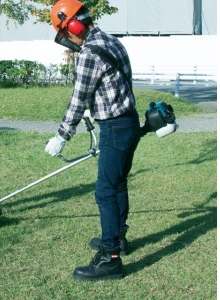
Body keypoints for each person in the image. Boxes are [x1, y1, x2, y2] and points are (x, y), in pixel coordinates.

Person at [45, 0, 140, 280]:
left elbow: (78, 98)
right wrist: (97, 105)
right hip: (128, 121)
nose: (68, 38)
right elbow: (116, 82)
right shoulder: (111, 41)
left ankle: (109, 259)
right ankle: (118, 237)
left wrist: (62, 135)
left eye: (66, 32)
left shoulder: (89, 54)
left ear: (72, 25)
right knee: (118, 183)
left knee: (105, 191)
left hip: (114, 128)